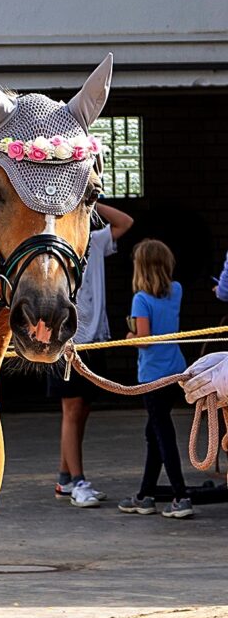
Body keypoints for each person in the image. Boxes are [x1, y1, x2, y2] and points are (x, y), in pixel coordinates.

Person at [49, 201, 134, 507]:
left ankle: (65, 477)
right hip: (68, 341)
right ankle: (78, 481)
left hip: (94, 339)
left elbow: (125, 222)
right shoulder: (56, 243)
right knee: (71, 410)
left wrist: (92, 201)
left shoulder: (96, 240)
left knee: (81, 410)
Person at [118, 239, 193, 518]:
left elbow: (145, 340)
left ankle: (180, 495)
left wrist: (128, 337)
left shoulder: (140, 299)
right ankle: (145, 495)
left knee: (162, 435)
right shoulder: (177, 290)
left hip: (152, 375)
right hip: (175, 369)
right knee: (154, 434)